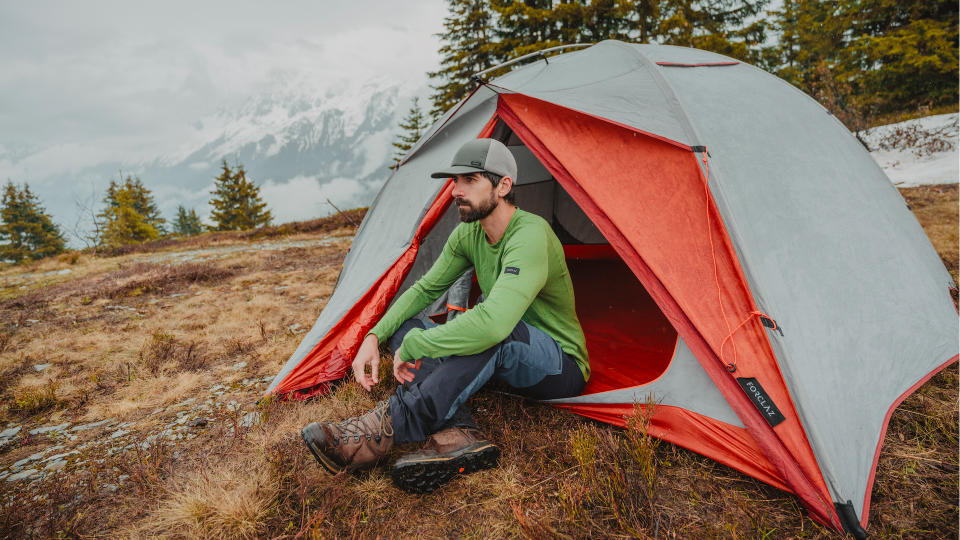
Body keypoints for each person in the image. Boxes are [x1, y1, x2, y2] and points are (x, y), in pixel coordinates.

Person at [301, 138, 589, 493]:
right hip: (504, 358)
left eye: (469, 180)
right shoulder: (468, 233)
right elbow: (424, 291)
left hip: (558, 365)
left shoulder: (530, 235)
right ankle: (459, 435)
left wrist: (422, 345)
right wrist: (373, 336)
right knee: (405, 326)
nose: (456, 190)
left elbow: (496, 323)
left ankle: (381, 430)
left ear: (503, 186)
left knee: (493, 329)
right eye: (455, 181)